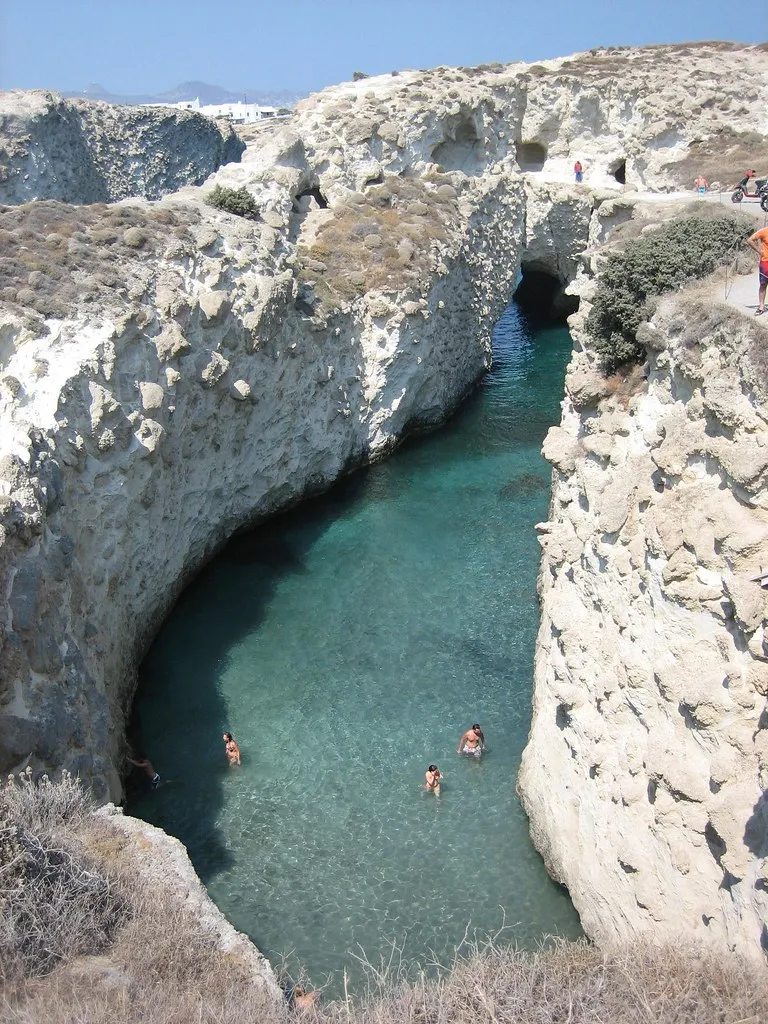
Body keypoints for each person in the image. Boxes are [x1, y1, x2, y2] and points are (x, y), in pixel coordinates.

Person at [746, 225, 768, 316]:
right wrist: (760, 251)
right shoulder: (764, 231)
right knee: (763, 284)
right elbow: (750, 240)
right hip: (765, 262)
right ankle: (761, 307)